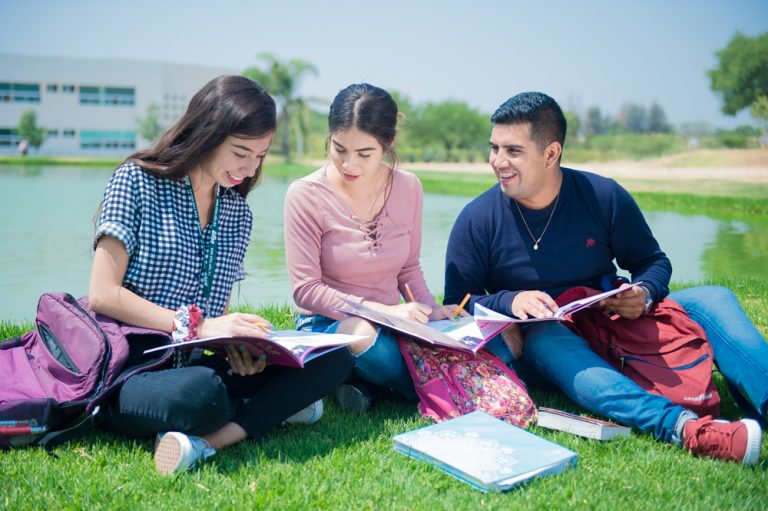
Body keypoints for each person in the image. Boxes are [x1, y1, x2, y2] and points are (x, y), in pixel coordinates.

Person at [444, 91, 767, 465]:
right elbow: (457, 302)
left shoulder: (603, 196)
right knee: (544, 337)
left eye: (512, 151)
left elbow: (653, 262)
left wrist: (643, 292)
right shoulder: (476, 218)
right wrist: (509, 301)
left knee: (713, 298)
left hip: (608, 318)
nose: (497, 161)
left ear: (551, 154)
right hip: (546, 338)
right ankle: (685, 429)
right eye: (494, 148)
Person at [89, 75, 353, 474]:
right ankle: (272, 409)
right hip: (131, 368)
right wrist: (199, 327)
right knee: (201, 396)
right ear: (208, 133)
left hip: (195, 363)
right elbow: (103, 295)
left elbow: (218, 319)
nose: (249, 169)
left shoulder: (236, 214)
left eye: (260, 156)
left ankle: (212, 439)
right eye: (240, 153)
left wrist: (239, 349)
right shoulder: (137, 181)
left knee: (332, 358)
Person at [284, 83, 468, 413]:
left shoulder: (409, 186)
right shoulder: (305, 194)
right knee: (361, 335)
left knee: (451, 334)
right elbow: (306, 291)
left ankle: (365, 387)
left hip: (394, 321)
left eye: (364, 154)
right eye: (338, 149)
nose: (348, 164)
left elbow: (408, 267)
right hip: (333, 323)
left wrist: (429, 308)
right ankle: (445, 390)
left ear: (388, 144)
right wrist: (380, 311)